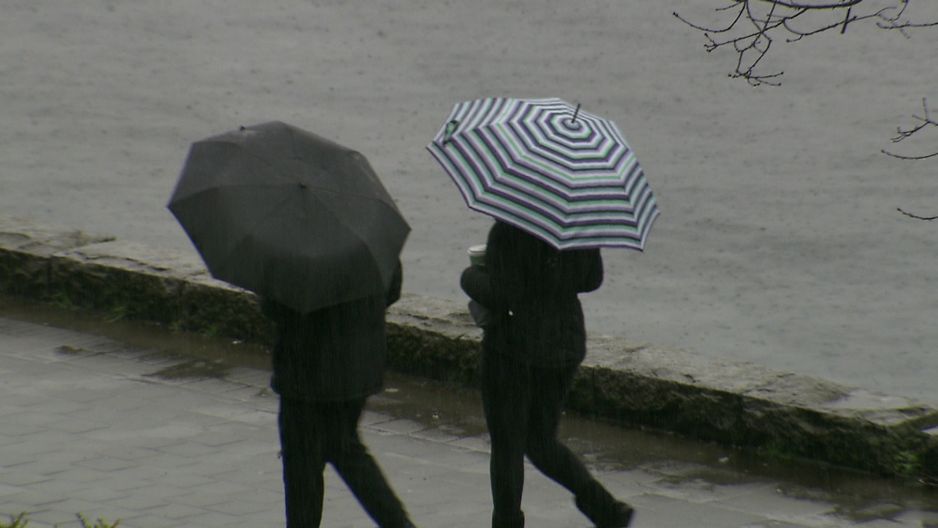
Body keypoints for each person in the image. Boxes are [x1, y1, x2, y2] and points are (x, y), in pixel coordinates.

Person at [460, 221, 634, 528]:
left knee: (508, 446)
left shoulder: (510, 226)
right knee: (540, 440)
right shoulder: (579, 224)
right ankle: (605, 509)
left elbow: (503, 294)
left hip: (514, 349)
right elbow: (593, 279)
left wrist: (470, 276)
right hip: (564, 344)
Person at [262, 260, 417, 528]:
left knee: (302, 466)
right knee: (345, 449)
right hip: (357, 365)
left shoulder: (295, 241)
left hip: (306, 369)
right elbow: (391, 288)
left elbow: (275, 307)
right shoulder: (365, 232)